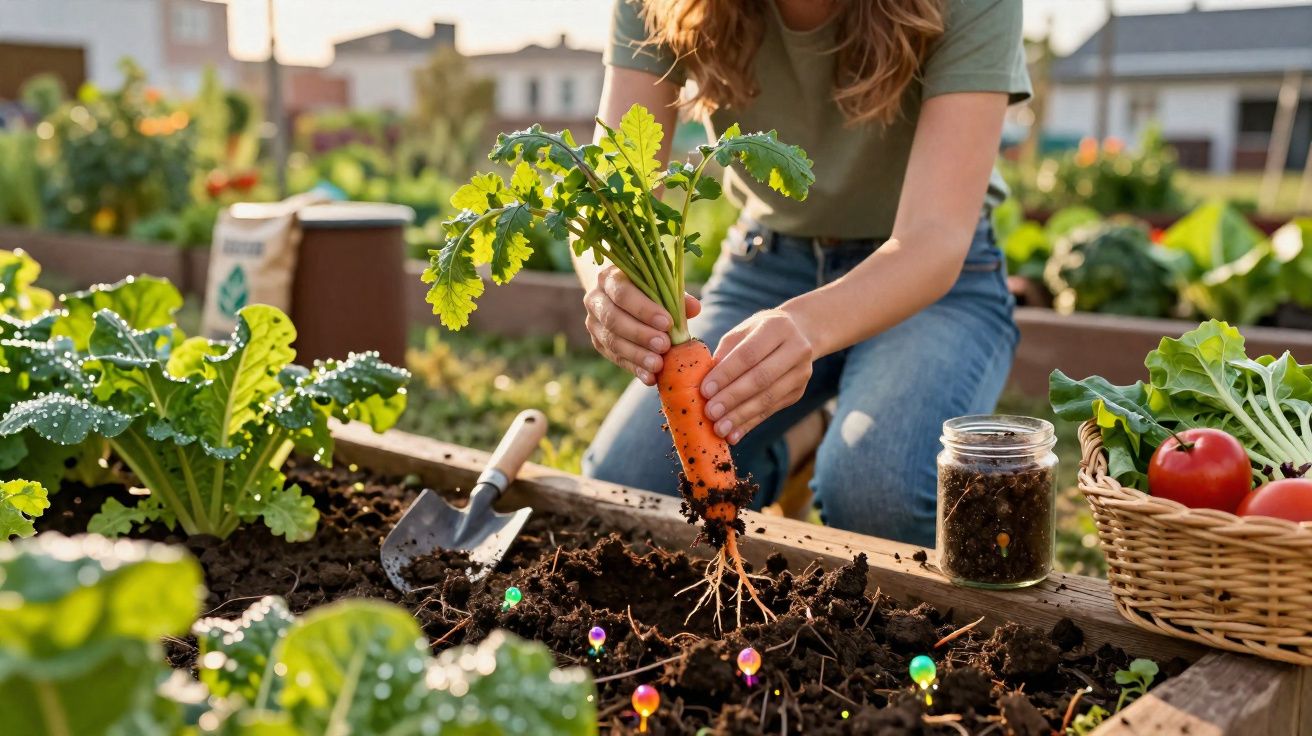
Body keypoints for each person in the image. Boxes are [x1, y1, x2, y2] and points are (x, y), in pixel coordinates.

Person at [578, 0, 1031, 546]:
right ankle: (800, 438)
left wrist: (809, 327)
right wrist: (610, 277)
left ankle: (834, 421)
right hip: (768, 263)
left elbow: (934, 237)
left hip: (929, 281)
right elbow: (616, 193)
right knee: (631, 486)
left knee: (877, 495)